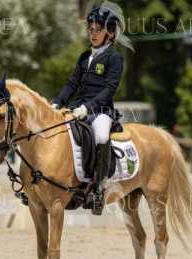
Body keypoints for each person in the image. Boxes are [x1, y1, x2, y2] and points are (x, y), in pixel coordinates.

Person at [52, 3, 132, 215]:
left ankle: (98, 189)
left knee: (101, 136)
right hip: (77, 108)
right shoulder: (84, 57)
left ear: (110, 32)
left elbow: (110, 89)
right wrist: (56, 103)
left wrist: (88, 108)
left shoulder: (114, 58)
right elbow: (71, 84)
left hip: (101, 111)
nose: (93, 33)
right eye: (91, 29)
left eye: (98, 29)